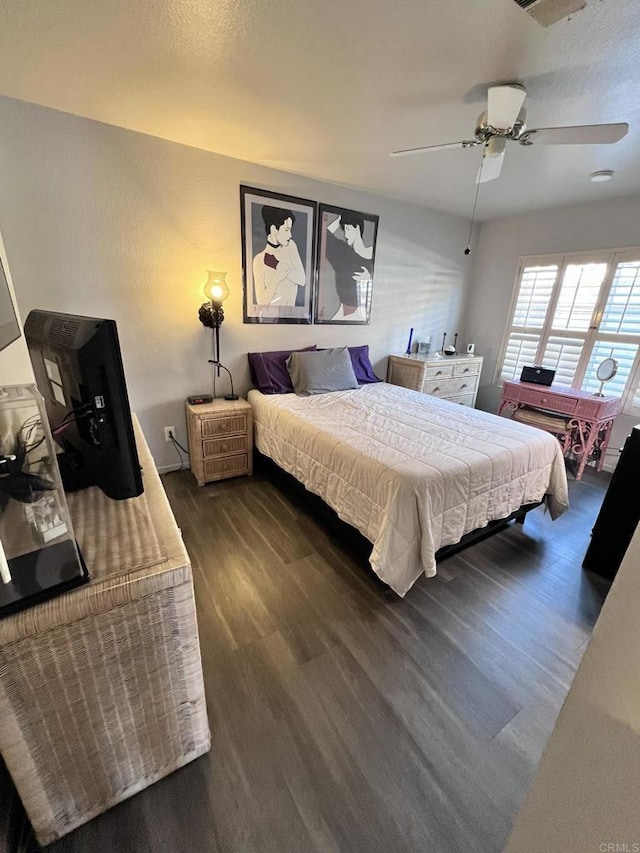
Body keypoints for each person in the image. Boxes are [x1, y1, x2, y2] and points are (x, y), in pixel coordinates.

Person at [324, 211, 373, 321]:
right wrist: (338, 220)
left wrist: (369, 278)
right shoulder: (343, 253)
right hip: (345, 308)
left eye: (348, 229)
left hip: (360, 312)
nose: (346, 235)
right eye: (345, 229)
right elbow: (323, 236)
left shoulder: (372, 255)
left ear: (357, 229)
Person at [253, 206, 306, 307]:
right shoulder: (259, 260)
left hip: (292, 316)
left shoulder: (290, 247)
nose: (290, 235)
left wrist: (277, 265)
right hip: (268, 319)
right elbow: (261, 302)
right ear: (274, 230)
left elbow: (302, 280)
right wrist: (277, 277)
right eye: (286, 230)